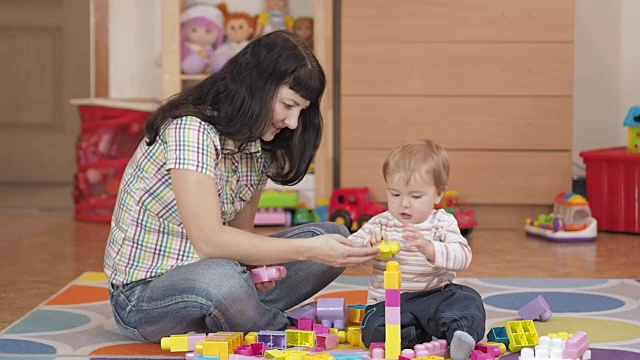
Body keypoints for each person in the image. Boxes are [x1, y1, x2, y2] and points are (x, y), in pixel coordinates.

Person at [103, 30, 380, 343]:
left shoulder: (257, 146)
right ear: (257, 87)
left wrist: (255, 266)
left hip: (215, 276)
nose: (292, 122)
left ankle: (239, 316)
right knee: (224, 280)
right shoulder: (190, 130)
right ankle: (280, 329)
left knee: (335, 237)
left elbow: (239, 239)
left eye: (300, 111)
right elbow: (210, 241)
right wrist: (307, 250)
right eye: (288, 105)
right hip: (143, 298)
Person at [348, 139, 486, 360]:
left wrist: (430, 248)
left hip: (436, 295)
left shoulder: (442, 222)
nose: (404, 204)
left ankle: (461, 336)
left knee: (468, 301)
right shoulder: (380, 223)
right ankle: (416, 336)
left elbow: (463, 256)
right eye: (395, 194)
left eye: (415, 196)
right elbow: (351, 251)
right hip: (390, 303)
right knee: (374, 327)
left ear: (438, 194)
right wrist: (367, 248)